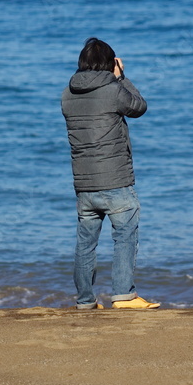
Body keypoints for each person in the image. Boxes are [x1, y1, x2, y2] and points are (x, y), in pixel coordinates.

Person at [61, 37, 160, 310]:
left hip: (84, 183)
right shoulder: (113, 89)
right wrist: (122, 78)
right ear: (110, 63)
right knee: (125, 234)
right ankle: (124, 296)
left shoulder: (67, 94)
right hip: (116, 179)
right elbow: (139, 106)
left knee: (85, 244)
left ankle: (85, 301)